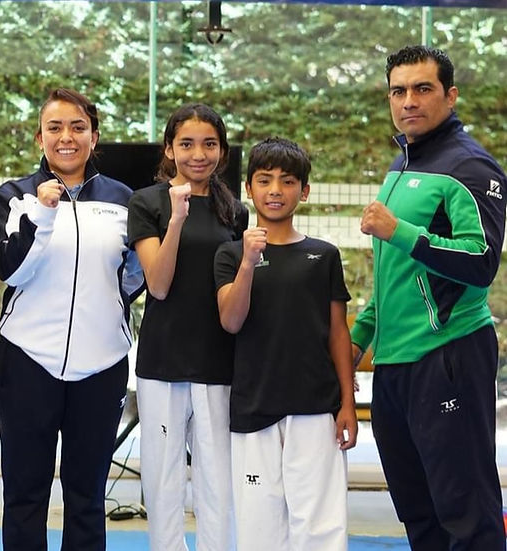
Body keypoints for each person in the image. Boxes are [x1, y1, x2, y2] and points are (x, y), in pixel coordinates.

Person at [352, 45, 506, 550]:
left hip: (448, 354)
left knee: (466, 515)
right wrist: (357, 341)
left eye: (423, 89)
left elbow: (480, 261)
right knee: (419, 515)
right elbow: (394, 276)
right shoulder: (401, 165)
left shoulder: (471, 167)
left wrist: (399, 230)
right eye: (398, 91)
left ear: (450, 95)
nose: (409, 101)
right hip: (395, 366)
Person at [0, 88, 144, 550]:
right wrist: (44, 212)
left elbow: (134, 275)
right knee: (24, 494)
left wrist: (107, 311)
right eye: (54, 128)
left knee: (87, 497)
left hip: (101, 365)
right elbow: (10, 270)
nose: (66, 137)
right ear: (40, 137)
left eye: (78, 127)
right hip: (27, 361)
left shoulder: (124, 199)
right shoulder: (12, 196)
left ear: (94, 137)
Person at [214, 137, 357, 551]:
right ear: (248, 189)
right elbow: (231, 320)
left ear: (304, 191)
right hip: (254, 407)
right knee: (259, 526)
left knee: (320, 525)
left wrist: (346, 404)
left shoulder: (323, 255)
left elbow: (338, 332)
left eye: (288, 181)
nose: (275, 190)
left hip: (315, 408)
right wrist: (248, 262)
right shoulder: (230, 254)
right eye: (265, 180)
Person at [126, 103, 247, 551]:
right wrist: (177, 218)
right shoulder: (147, 202)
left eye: (209, 144)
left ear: (222, 151)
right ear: (169, 149)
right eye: (187, 144)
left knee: (218, 479)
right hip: (164, 360)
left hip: (218, 360)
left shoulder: (234, 212)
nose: (199, 154)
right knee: (163, 480)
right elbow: (157, 285)